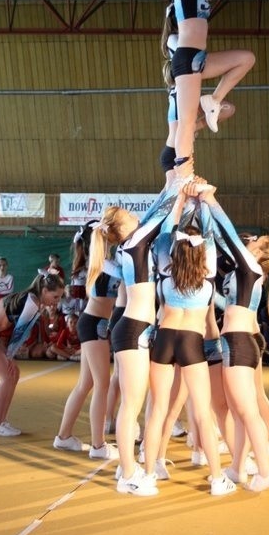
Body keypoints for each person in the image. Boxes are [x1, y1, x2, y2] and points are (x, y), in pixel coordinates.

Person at [142, 191, 236, 497]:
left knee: (157, 410)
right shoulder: (207, 276)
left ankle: (147, 473)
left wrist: (181, 199)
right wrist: (202, 200)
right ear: (201, 253)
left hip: (165, 338)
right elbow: (209, 234)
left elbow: (166, 232)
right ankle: (218, 477)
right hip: (192, 343)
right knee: (201, 412)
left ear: (176, 251)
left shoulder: (165, 273)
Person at [199, 183, 269, 492]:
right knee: (239, 410)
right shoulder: (249, 273)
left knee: (247, 410)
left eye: (256, 240)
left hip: (238, 342)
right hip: (239, 340)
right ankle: (238, 467)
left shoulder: (249, 266)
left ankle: (265, 471)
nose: (249, 241)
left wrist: (210, 199)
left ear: (259, 252)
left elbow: (227, 232)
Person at [169, 0, 255, 177]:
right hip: (186, 60)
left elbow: (198, 10)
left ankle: (215, 100)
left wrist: (207, 3)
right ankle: (184, 170)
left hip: (199, 58)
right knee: (184, 122)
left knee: (246, 59)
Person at [111, 184, 181, 494]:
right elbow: (160, 214)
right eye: (129, 215)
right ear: (122, 228)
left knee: (132, 404)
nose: (135, 216)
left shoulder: (131, 243)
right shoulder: (135, 241)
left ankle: (126, 466)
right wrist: (178, 185)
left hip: (135, 328)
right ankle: (128, 475)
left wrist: (173, 187)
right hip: (133, 329)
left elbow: (153, 214)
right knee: (131, 405)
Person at [54, 212, 127, 460]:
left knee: (86, 384)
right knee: (101, 385)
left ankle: (63, 437)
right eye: (106, 236)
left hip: (93, 322)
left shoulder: (101, 262)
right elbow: (126, 272)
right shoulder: (102, 263)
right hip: (94, 323)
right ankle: (98, 445)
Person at [0, 273, 65, 436]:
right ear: (45, 290)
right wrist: (9, 356)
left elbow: (22, 331)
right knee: (6, 375)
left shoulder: (35, 302)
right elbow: (20, 332)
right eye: (55, 296)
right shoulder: (32, 301)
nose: (57, 301)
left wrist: (9, 355)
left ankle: (2, 421)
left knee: (14, 373)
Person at [159, 3, 235, 188]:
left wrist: (197, 124)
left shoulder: (187, 99)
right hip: (173, 155)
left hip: (178, 152)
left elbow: (229, 110)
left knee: (227, 108)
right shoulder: (173, 40)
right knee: (170, 198)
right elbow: (186, 55)